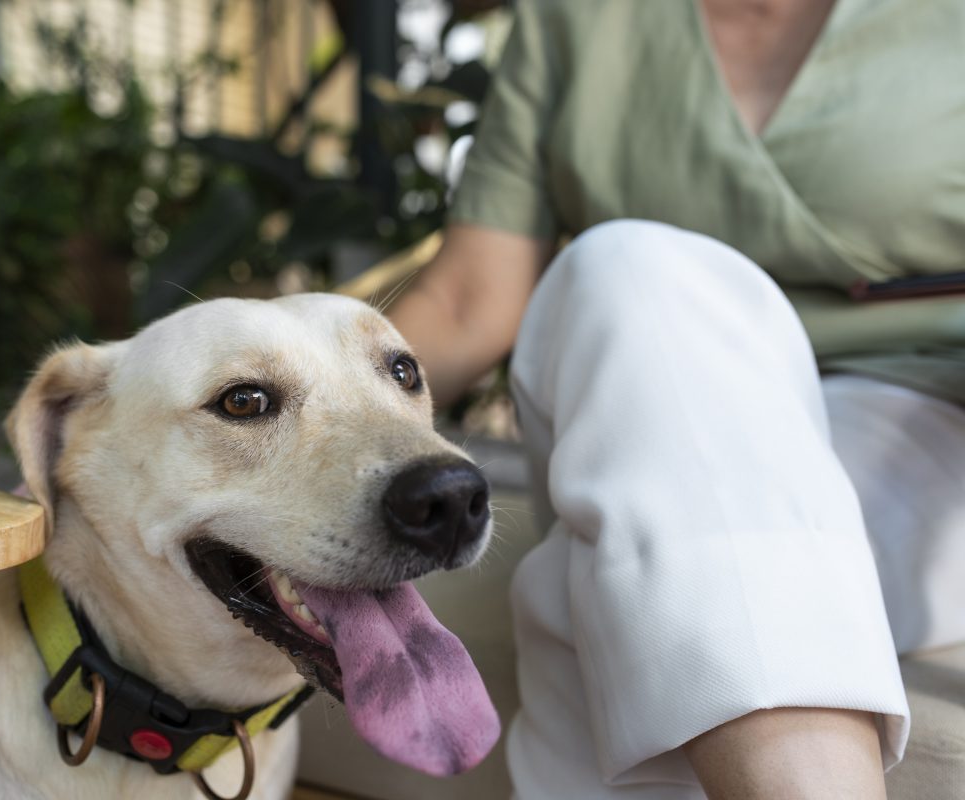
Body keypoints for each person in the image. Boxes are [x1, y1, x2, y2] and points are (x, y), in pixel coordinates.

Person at [387, 0, 965, 797]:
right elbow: (465, 304)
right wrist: (266, 402)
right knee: (628, 268)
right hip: (639, 420)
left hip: (916, 428)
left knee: (590, 594)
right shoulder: (577, 18)